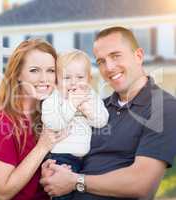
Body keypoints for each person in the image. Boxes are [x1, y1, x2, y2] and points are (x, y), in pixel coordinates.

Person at [40, 26, 176, 200]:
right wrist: (51, 168)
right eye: (101, 61)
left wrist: (75, 181)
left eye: (116, 56)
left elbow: (142, 185)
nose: (109, 67)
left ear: (138, 56)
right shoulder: (100, 107)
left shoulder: (164, 107)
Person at [0, 38, 67, 200]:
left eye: (51, 71)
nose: (44, 79)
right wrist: (42, 147)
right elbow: (1, 193)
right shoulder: (1, 124)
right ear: (17, 74)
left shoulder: (46, 117)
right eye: (34, 70)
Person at [41, 50, 109, 200]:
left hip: (86, 159)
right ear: (57, 80)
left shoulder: (90, 96)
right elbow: (53, 123)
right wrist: (71, 105)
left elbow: (102, 121)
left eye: (80, 77)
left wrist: (88, 111)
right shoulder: (53, 99)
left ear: (89, 79)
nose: (73, 82)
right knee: (63, 194)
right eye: (67, 77)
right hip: (61, 157)